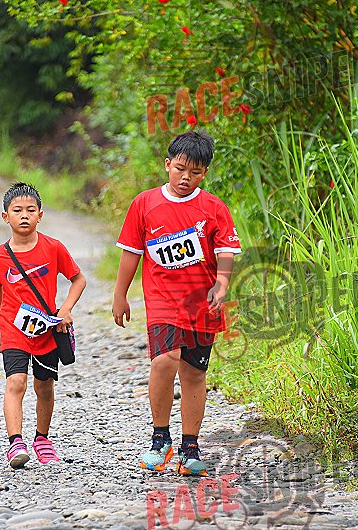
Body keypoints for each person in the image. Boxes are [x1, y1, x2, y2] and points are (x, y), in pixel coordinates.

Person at [112, 131, 241, 476]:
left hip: (201, 302)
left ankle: (190, 447)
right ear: (167, 165)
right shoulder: (145, 204)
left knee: (194, 372)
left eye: (195, 172)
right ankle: (160, 438)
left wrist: (222, 283)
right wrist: (120, 294)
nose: (186, 178)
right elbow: (131, 252)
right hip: (162, 300)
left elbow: (226, 250)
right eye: (180, 169)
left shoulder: (213, 208)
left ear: (204, 173)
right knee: (164, 361)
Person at [0, 182, 86, 468]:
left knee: (44, 385)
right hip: (13, 328)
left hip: (46, 329)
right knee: (16, 381)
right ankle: (15, 442)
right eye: (17, 210)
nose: (24, 216)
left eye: (31, 210)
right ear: (5, 216)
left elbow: (78, 279)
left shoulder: (53, 248)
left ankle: (42, 439)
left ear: (40, 215)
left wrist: (65, 309)